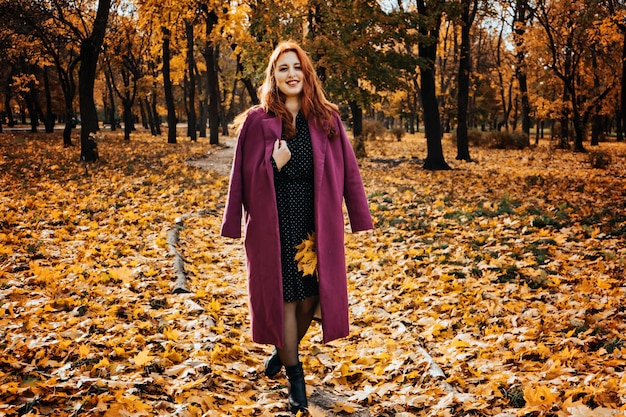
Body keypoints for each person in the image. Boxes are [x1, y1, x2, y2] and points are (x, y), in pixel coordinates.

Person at [220, 40, 373, 414]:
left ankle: (282, 352)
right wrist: (273, 165)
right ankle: (295, 379)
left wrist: (360, 216)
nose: (291, 74)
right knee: (284, 301)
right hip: (273, 224)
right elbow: (240, 176)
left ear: (306, 74)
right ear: (273, 76)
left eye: (296, 67)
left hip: (314, 223)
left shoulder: (326, 119)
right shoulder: (257, 121)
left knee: (309, 299)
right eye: (283, 68)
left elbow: (349, 171)